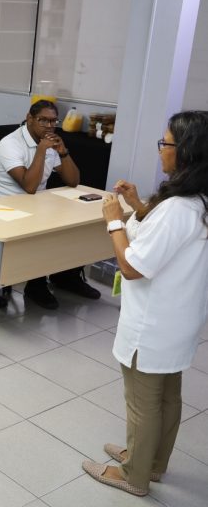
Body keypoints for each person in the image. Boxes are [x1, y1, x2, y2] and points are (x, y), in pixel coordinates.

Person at [82, 111, 208, 497]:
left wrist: (113, 220)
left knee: (142, 401)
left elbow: (133, 266)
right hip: (178, 319)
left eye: (165, 143)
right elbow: (160, 240)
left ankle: (133, 474)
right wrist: (137, 205)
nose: (160, 151)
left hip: (153, 324)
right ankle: (151, 461)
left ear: (184, 151)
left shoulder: (177, 209)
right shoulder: (198, 201)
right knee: (168, 395)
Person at [0, 100, 100, 309]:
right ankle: (35, 285)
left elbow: (73, 181)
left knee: (75, 225)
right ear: (29, 119)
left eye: (53, 121)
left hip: (35, 205)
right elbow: (29, 186)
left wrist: (63, 151)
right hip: (4, 207)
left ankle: (67, 276)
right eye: (43, 121)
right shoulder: (10, 144)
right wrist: (41, 151)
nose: (49, 126)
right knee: (44, 232)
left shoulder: (48, 142)